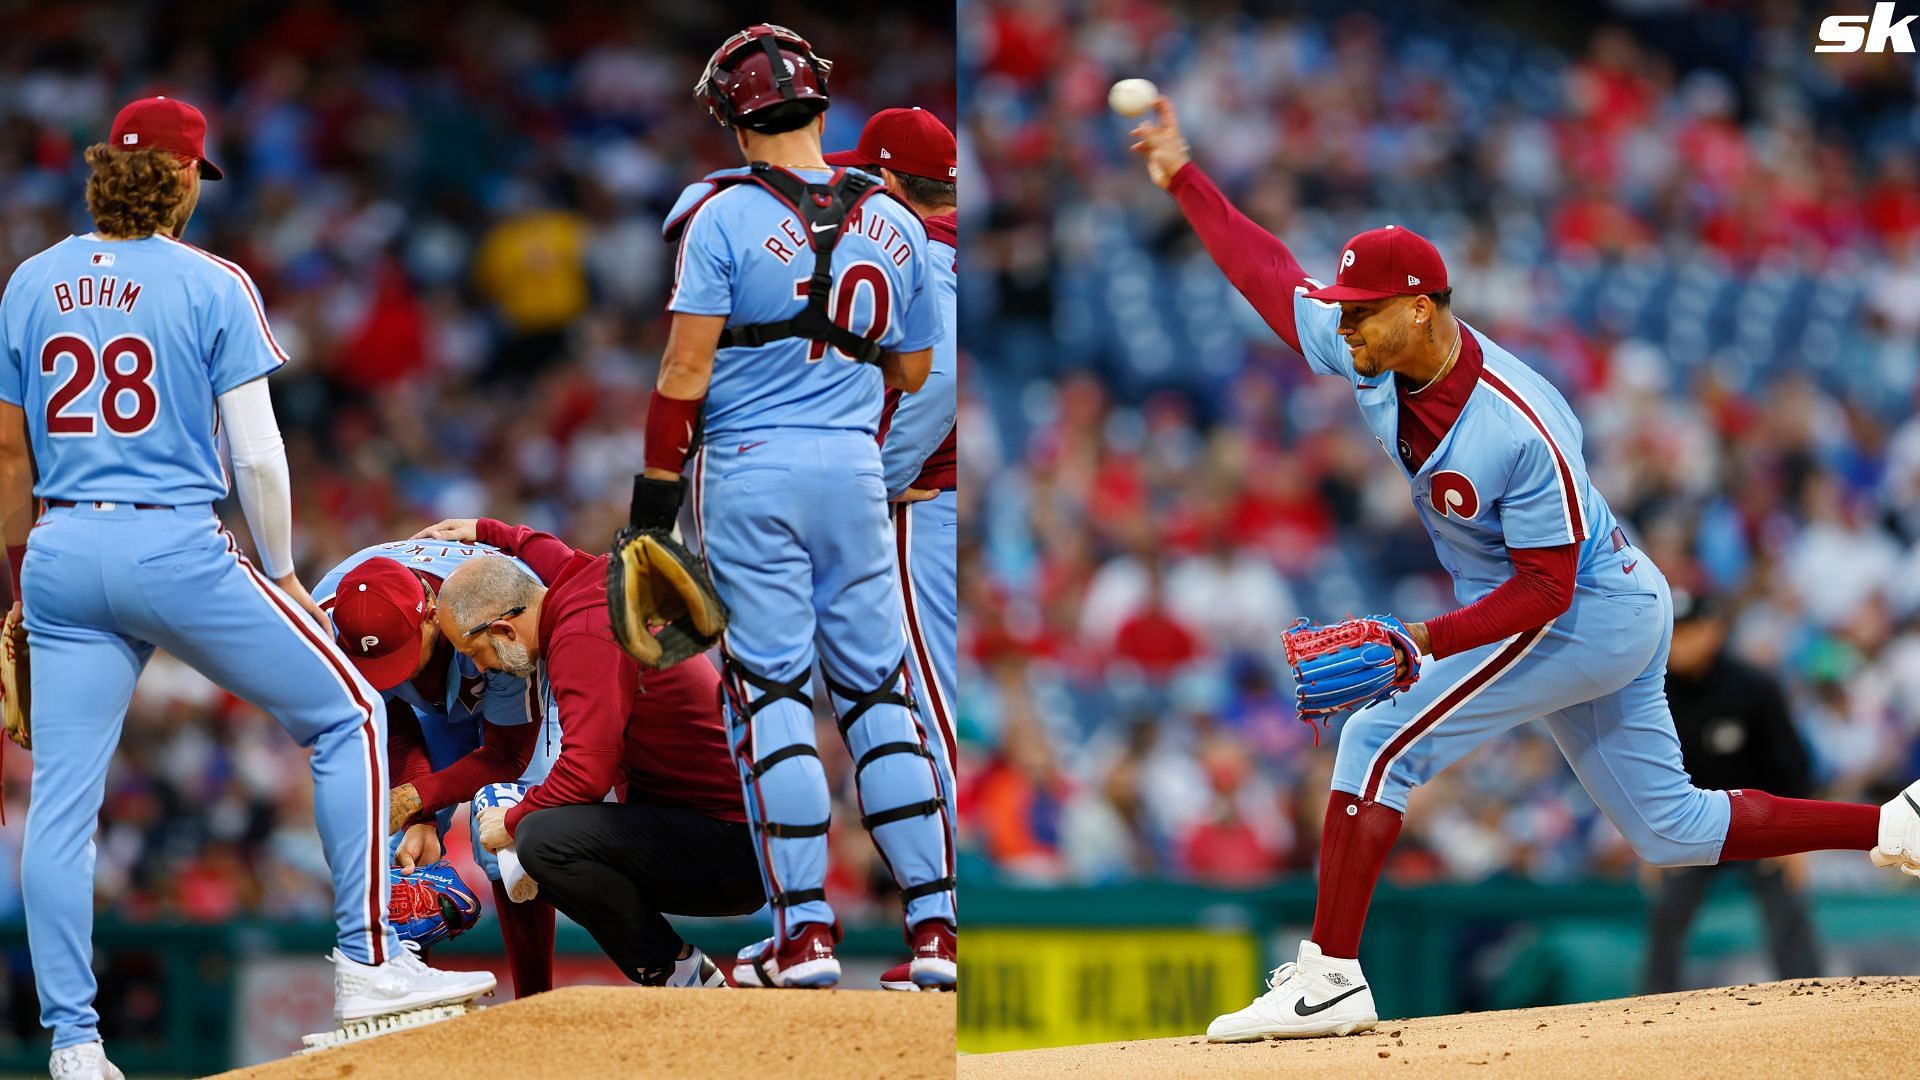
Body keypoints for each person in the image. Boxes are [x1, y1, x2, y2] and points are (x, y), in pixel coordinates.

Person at [1125, 96, 1920, 1042]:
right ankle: (1894, 827)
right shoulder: (1374, 354)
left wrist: (1421, 642)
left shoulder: (1517, 426)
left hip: (1585, 611)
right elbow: (1268, 276)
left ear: (1419, 309)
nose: (1344, 329)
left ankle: (1331, 976)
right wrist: (1183, 174)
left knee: (1378, 738)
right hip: (1577, 606)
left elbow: (1545, 591)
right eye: (1343, 313)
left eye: (1363, 314)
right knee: (1670, 830)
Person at [0, 97, 493, 1079]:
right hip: (173, 543)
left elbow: (11, 455)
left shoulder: (31, 281)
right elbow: (259, 455)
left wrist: (20, 583)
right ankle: (369, 963)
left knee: (60, 804)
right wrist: (283, 572)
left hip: (60, 547)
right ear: (183, 179)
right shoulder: (213, 282)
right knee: (350, 710)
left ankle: (75, 1043)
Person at [625, 23, 954, 991]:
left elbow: (684, 370)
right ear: (819, 102)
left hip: (750, 466)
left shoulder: (716, 212)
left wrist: (651, 506)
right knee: (878, 695)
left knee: (771, 694)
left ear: (732, 117)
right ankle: (936, 933)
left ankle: (804, 934)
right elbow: (917, 367)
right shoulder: (893, 221)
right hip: (855, 470)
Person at [415, 516, 761, 989]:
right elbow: (548, 552)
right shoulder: (585, 582)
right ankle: (676, 969)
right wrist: (488, 530)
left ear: (505, 629)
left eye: (476, 651)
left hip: (730, 849)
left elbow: (585, 774)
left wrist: (511, 822)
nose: (478, 667)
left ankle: (673, 971)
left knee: (540, 840)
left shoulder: (579, 638)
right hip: (728, 825)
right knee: (538, 830)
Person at [823, 105, 959, 992]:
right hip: (943, 499)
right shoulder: (950, 240)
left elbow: (939, 375)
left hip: (925, 504)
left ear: (891, 183)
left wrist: (874, 479)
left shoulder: (928, 252)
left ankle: (955, 925)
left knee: (928, 713)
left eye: (864, 178)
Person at [311, 541, 563, 998]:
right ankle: (401, 1002)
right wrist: (420, 816)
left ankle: (535, 1000)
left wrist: (419, 798)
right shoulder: (323, 625)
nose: (391, 672)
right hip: (425, 707)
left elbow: (508, 753)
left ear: (431, 613)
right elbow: (389, 719)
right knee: (396, 848)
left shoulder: (490, 611)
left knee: (507, 829)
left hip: (503, 678)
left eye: (401, 654)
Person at [1642, 591, 1821, 992]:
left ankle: (1809, 997)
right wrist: (1648, 839)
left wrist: (1797, 841)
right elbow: (1644, 773)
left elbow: (1792, 765)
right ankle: (1653, 1009)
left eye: (1690, 631)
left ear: (1715, 631)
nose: (1680, 642)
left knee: (1788, 906)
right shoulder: (1651, 691)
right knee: (1667, 912)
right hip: (1692, 821)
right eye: (1675, 632)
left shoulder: (1754, 686)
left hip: (1760, 820)